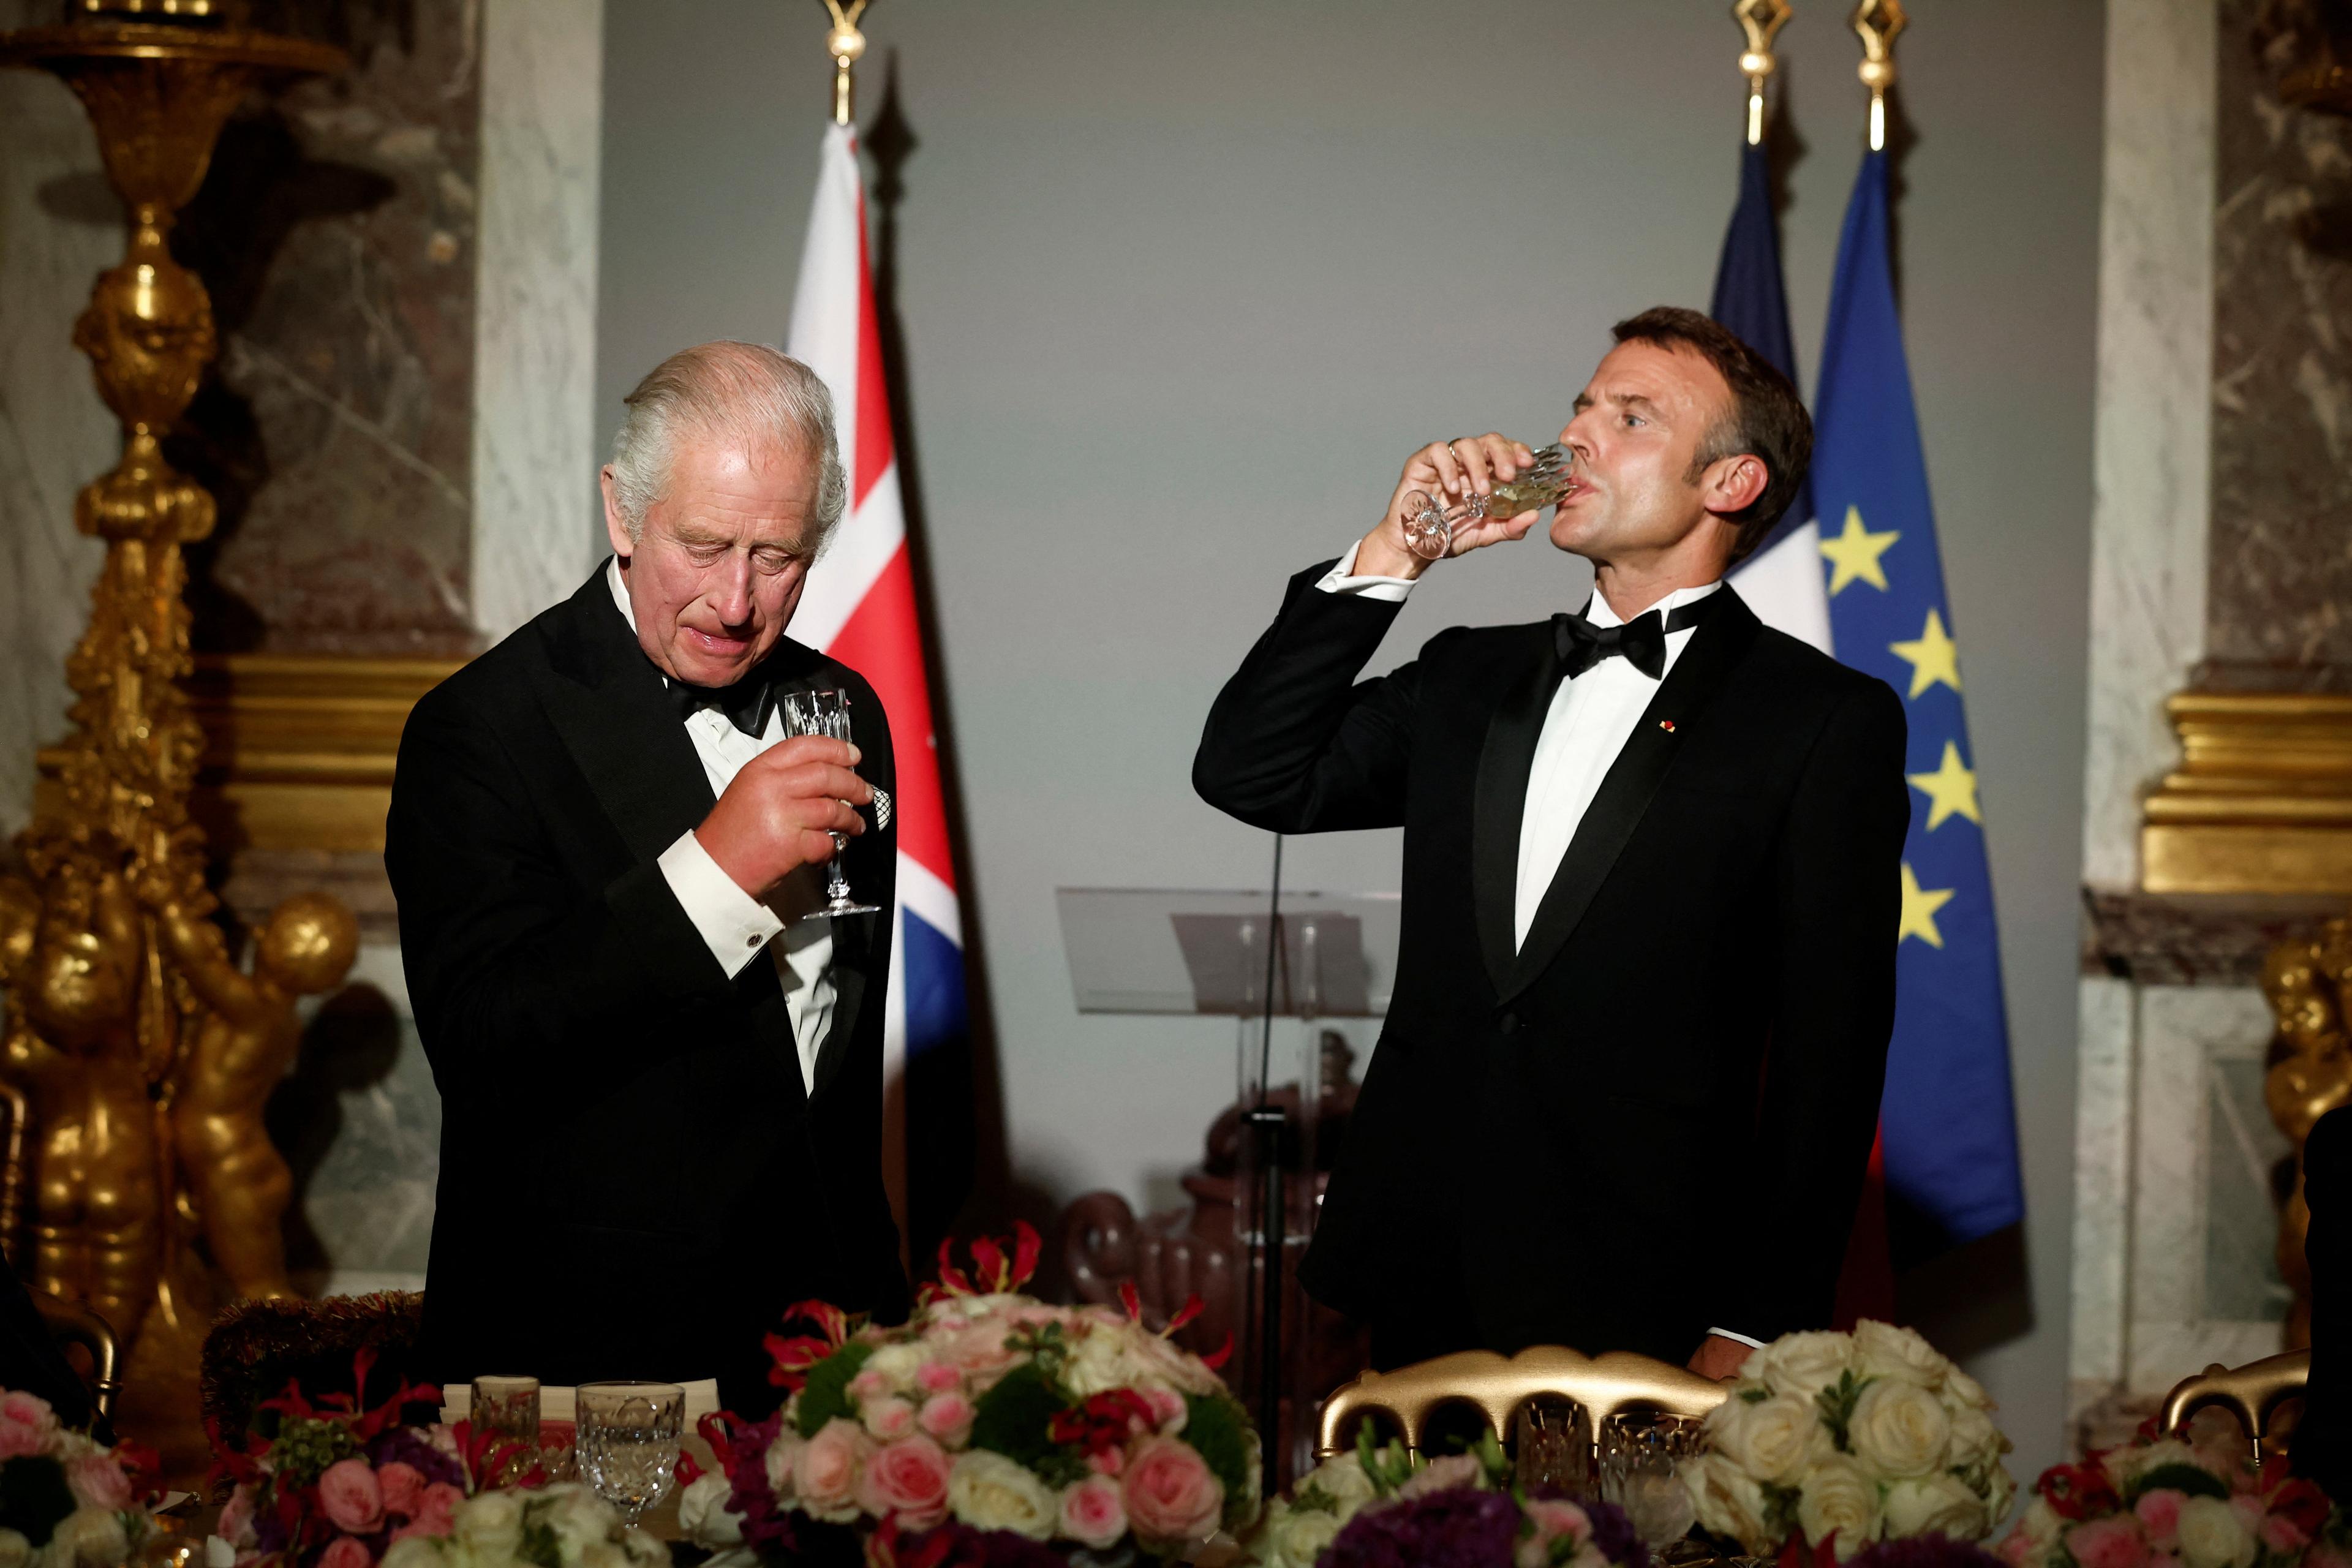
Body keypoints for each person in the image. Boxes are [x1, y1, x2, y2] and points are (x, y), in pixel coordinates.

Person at [1194, 307, 1909, 1379]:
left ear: (1731, 484)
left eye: (1630, 418)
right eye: (1580, 406)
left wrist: (1762, 1318)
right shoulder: (1469, 674)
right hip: (1422, 1268)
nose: (1575, 437)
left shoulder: (1820, 719)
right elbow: (1250, 770)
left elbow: (1831, 1055)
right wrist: (1398, 553)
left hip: (1654, 1290)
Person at [387, 341, 907, 1410]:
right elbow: (484, 1049)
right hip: (593, 1345)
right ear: (623, 515)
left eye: (779, 557)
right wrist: (719, 873)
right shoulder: (479, 728)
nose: (734, 599)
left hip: (831, 1336)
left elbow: (828, 1056)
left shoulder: (844, 707)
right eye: (705, 544)